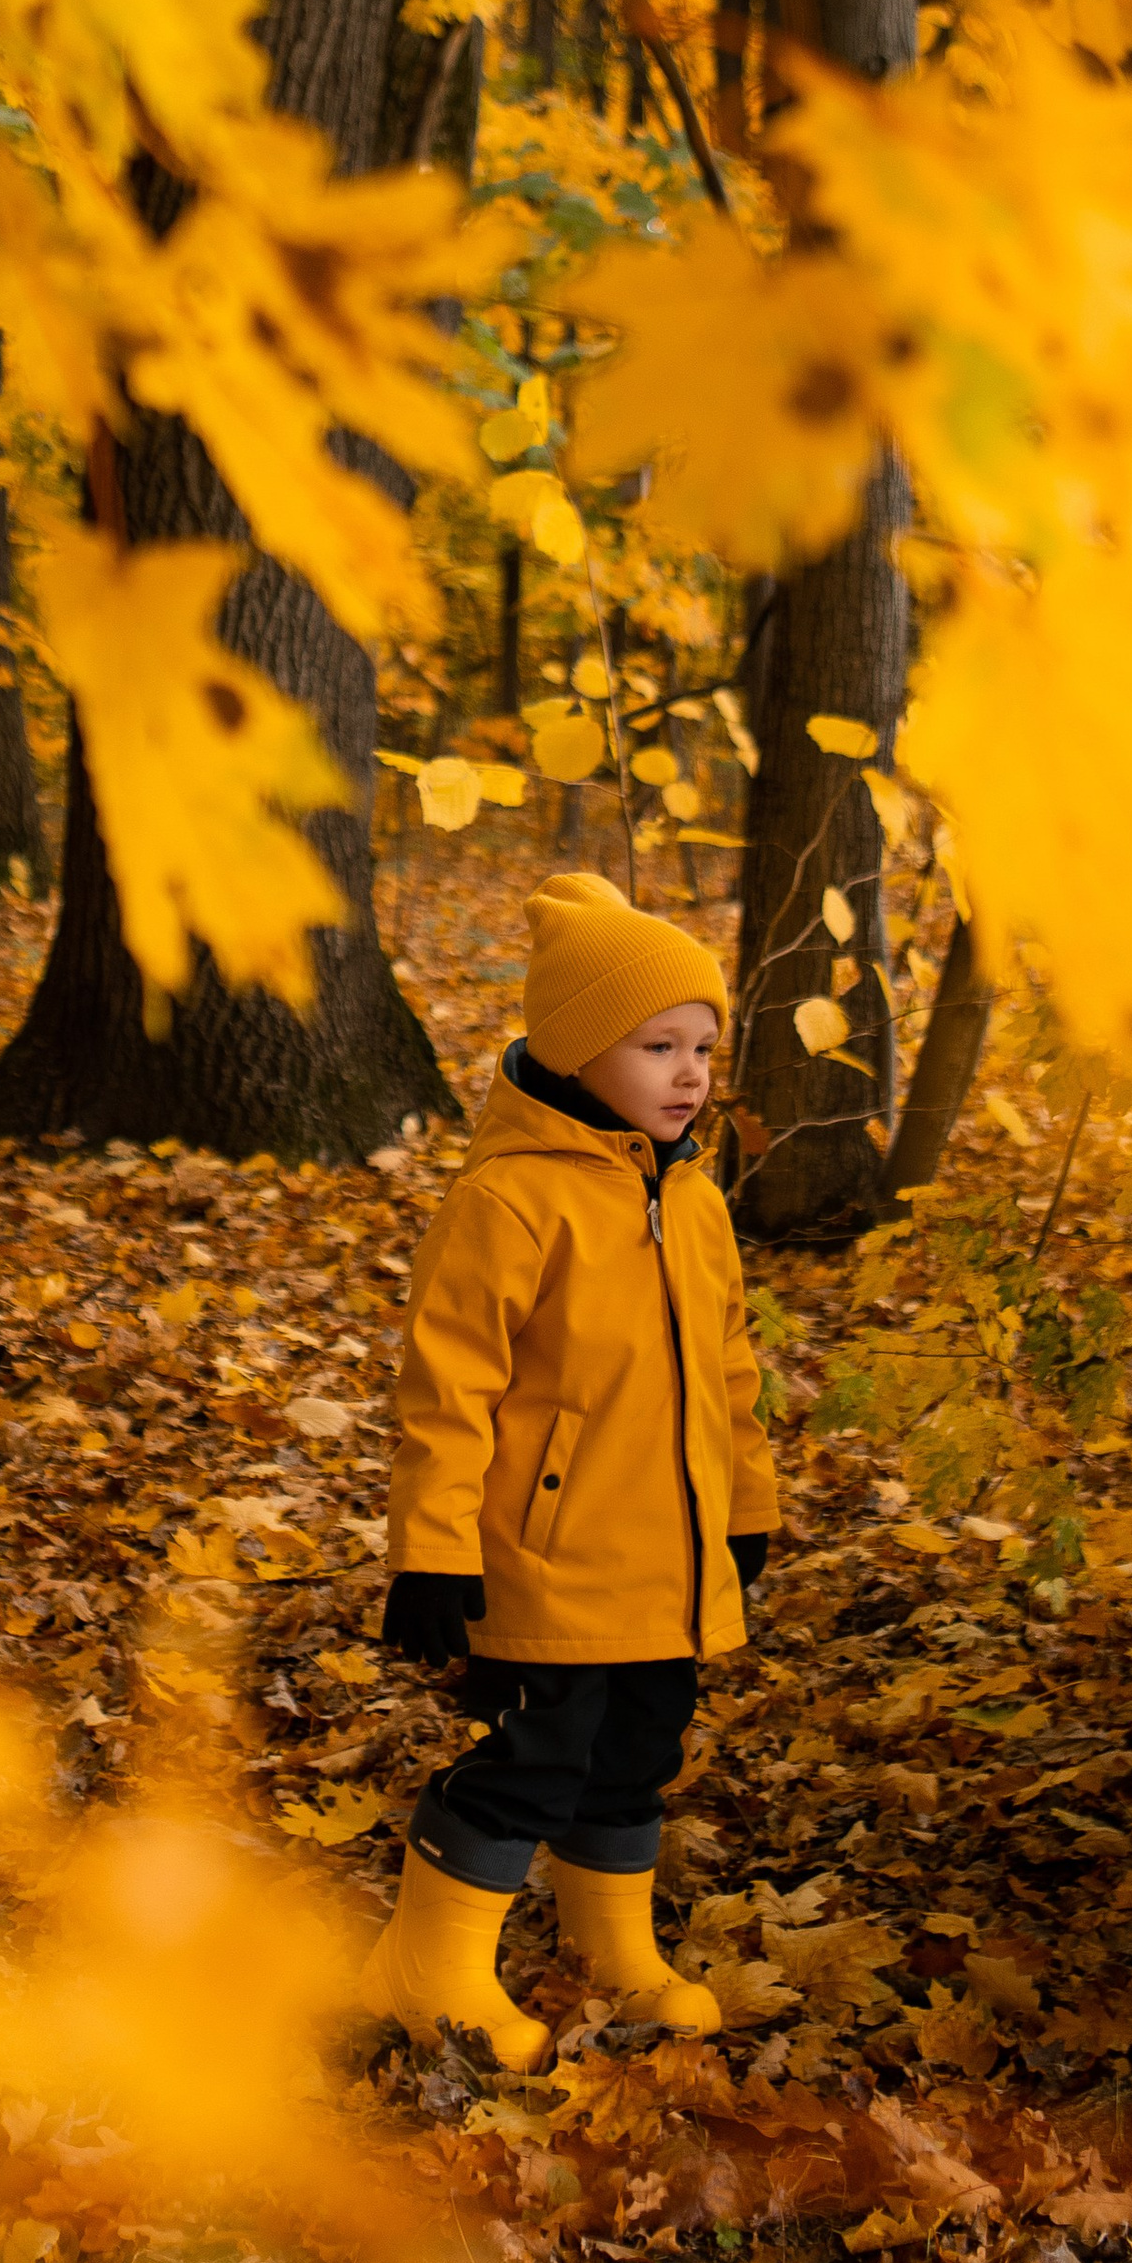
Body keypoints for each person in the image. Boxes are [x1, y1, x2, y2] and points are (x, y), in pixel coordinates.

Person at [362, 870, 778, 2070]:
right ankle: (425, 1965)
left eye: (703, 1045)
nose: (690, 1072)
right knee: (535, 1758)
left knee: (640, 1753)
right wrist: (432, 1552)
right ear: (579, 1048)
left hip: (668, 1558)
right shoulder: (509, 1201)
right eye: (657, 1045)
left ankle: (617, 1957)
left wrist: (742, 1513)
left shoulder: (694, 1198)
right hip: (542, 1562)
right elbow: (447, 1393)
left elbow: (729, 1370)